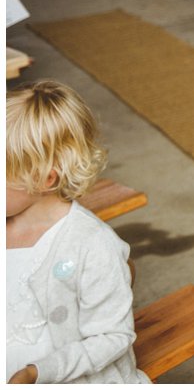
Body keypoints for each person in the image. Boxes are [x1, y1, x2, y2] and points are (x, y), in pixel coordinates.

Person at [6, 81, 150, 384]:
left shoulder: (92, 246)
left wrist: (38, 372)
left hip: (68, 375)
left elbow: (112, 336)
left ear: (46, 179)